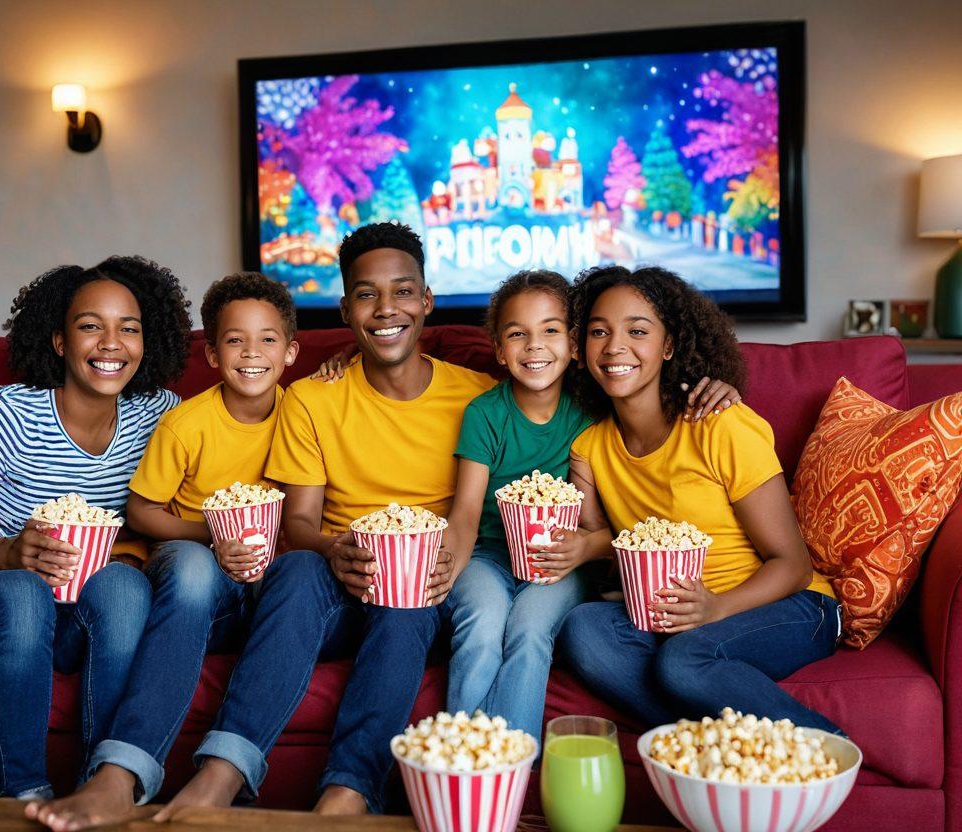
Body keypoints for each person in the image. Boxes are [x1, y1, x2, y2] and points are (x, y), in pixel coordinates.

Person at [154, 222, 494, 820]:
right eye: (367, 294)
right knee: (296, 569)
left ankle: (348, 792)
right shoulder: (313, 398)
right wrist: (335, 548)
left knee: (407, 595)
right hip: (335, 586)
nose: (386, 308)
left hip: (422, 594)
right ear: (344, 309)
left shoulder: (478, 396)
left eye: (402, 291)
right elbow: (300, 521)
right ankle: (222, 773)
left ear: (427, 301)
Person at [0, 256, 193, 798]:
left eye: (129, 328)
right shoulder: (6, 415)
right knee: (23, 593)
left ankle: (103, 791)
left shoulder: (159, 415)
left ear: (148, 340)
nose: (112, 343)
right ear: (60, 342)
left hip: (66, 616)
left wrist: (340, 368)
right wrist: (7, 555)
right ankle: (23, 795)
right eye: (91, 326)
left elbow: (247, 416)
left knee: (124, 585)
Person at [25, 272, 300, 829]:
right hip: (200, 578)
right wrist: (211, 534)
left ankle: (218, 778)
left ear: (291, 352)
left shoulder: (308, 411)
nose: (251, 354)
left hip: (277, 584)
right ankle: (120, 774)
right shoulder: (186, 423)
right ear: (213, 354)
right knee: (194, 569)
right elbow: (141, 509)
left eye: (268, 340)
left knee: (303, 571)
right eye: (235, 341)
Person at [440, 270, 740, 747]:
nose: (534, 346)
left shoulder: (594, 413)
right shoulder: (484, 414)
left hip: (566, 564)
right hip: (489, 557)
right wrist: (446, 568)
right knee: (482, 622)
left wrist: (580, 549)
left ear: (575, 345)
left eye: (551, 330)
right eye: (518, 335)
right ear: (499, 351)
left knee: (531, 628)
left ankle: (511, 766)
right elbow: (466, 514)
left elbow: (605, 529)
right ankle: (458, 758)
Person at [557, 265, 842, 734]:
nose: (614, 347)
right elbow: (607, 552)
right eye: (598, 332)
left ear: (668, 346)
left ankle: (825, 747)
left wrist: (715, 608)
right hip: (680, 614)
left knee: (684, 661)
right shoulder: (590, 448)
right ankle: (704, 750)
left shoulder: (719, 425)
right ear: (580, 347)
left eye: (638, 331)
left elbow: (793, 565)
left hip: (793, 606)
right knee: (585, 629)